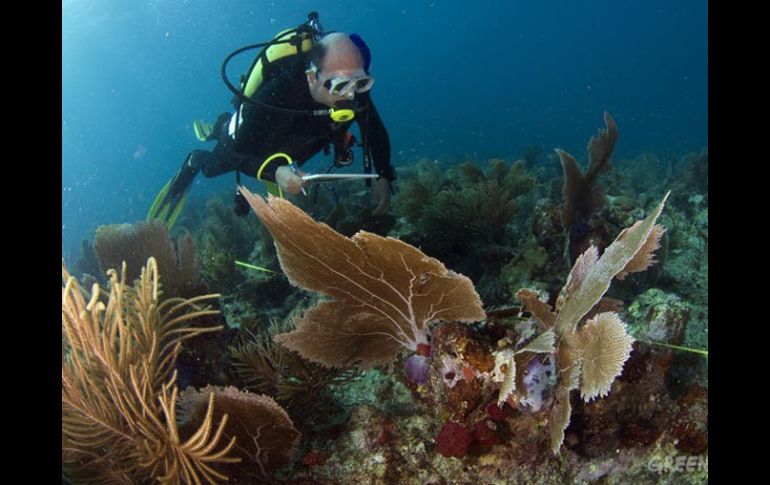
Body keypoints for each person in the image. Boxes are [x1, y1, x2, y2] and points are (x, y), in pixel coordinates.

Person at [148, 15, 396, 228]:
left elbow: (374, 129)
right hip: (257, 135)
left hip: (304, 136)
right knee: (214, 167)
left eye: (360, 82)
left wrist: (384, 176)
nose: (351, 95)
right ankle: (201, 153)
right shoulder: (279, 93)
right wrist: (274, 172)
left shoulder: (355, 88)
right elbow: (238, 153)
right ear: (312, 77)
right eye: (339, 86)